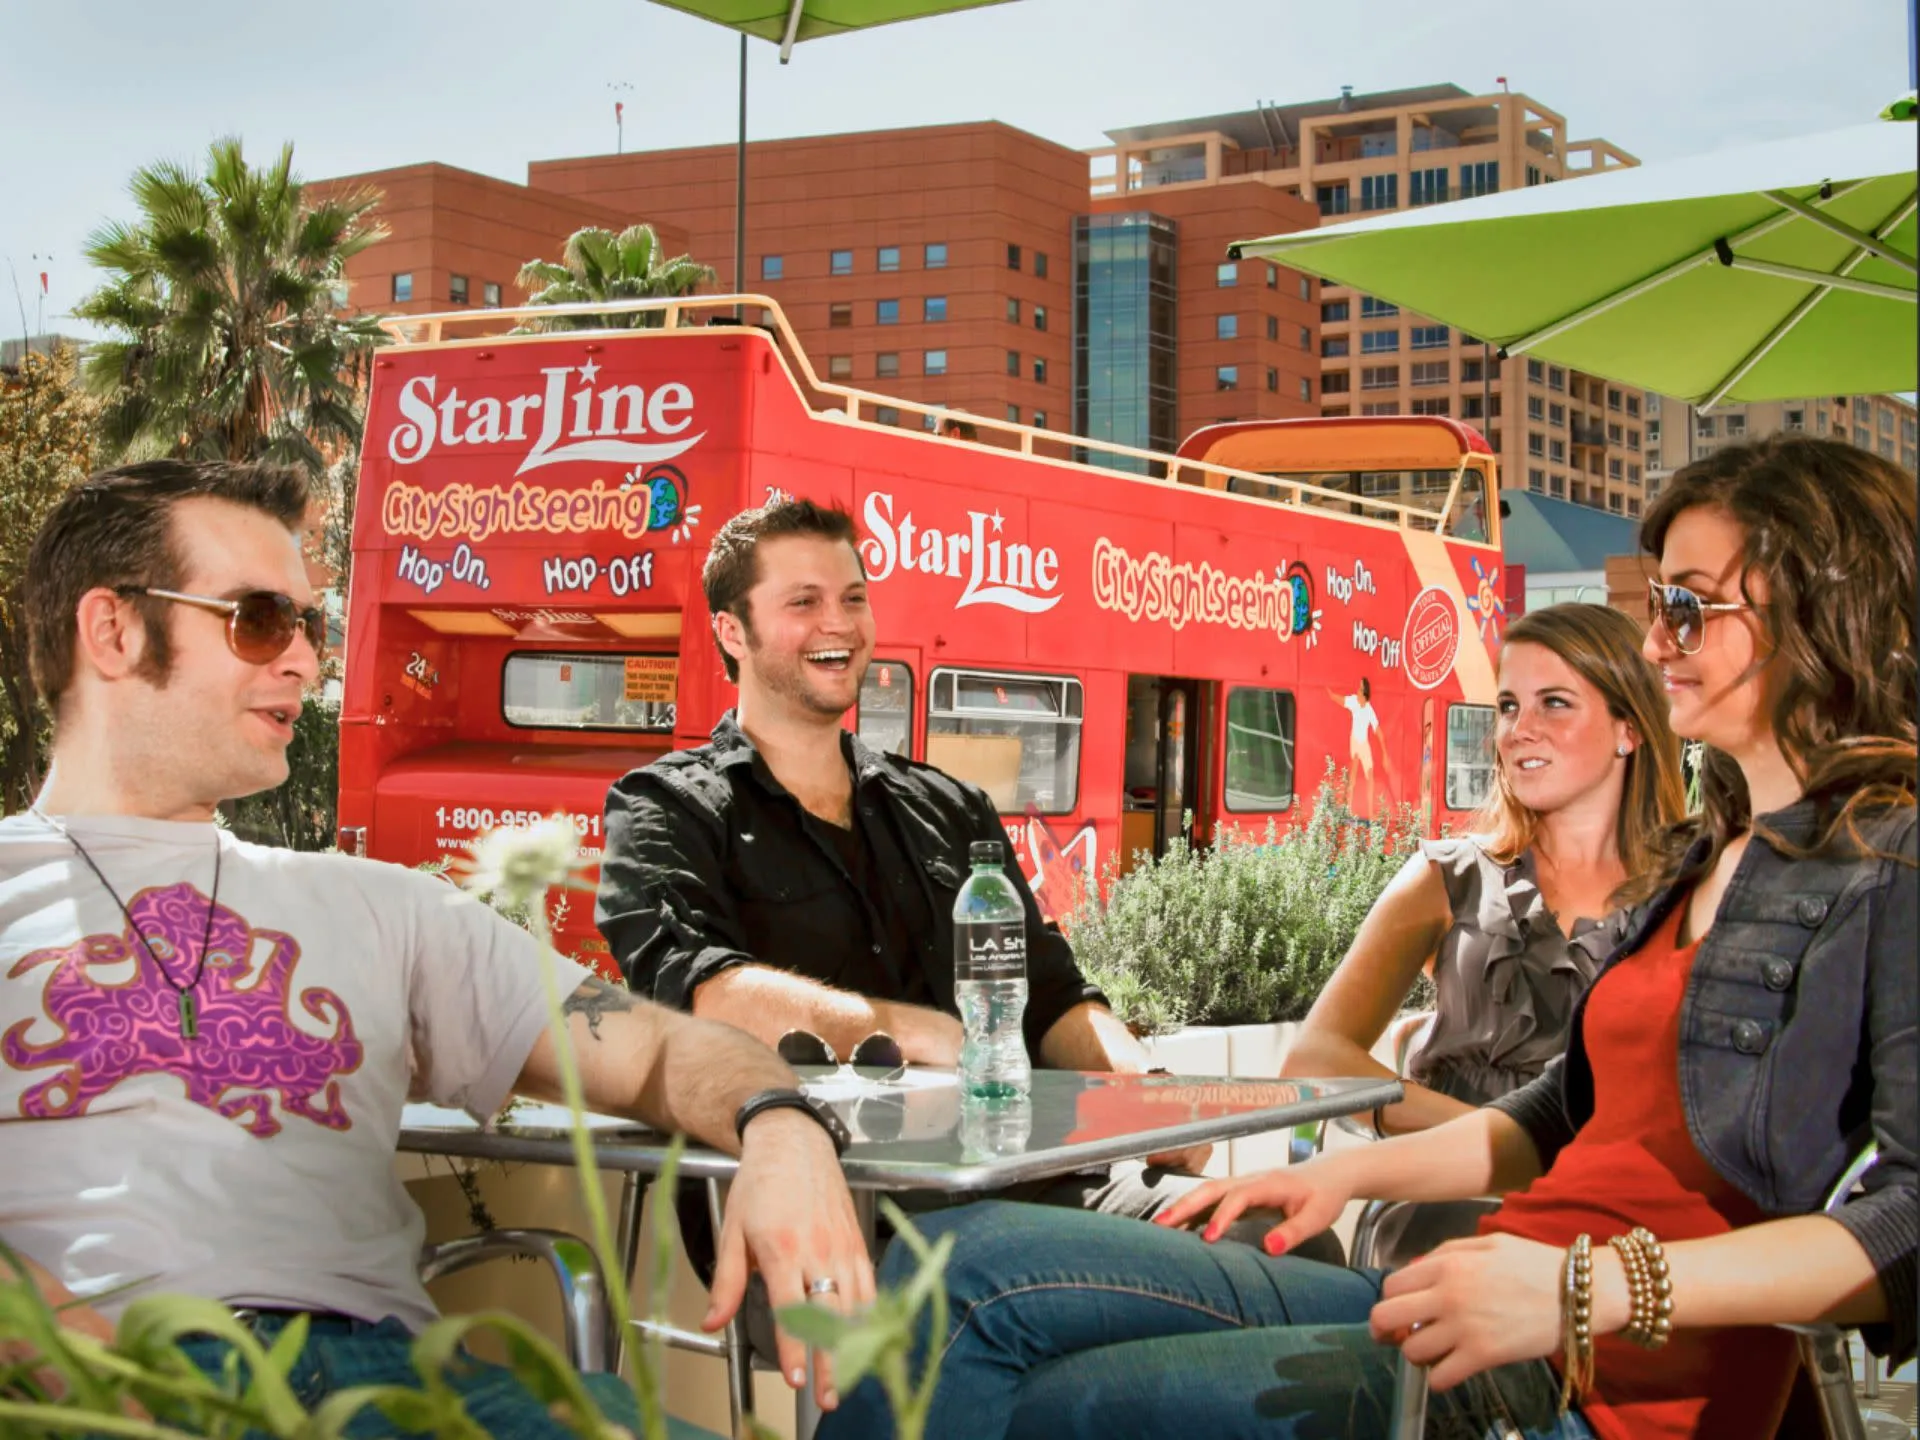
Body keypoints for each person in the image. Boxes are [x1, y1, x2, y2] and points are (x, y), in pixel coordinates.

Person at [823, 435, 1916, 1440]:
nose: (1655, 639)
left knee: (1063, 1406)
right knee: (958, 1261)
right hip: (1472, 1297)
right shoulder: (1710, 857)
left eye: (1688, 604)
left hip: (1577, 1382)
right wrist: (1343, 1179)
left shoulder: (1892, 861)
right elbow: (1558, 1119)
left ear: (1821, 608)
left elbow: (1907, 1224)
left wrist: (1581, 1289)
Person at [0, 460, 873, 1437]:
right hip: (111, 1382)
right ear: (114, 632)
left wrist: (778, 1122)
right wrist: (75, 1364)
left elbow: (654, 1047)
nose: (305, 663)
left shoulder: (378, 906)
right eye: (260, 620)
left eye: (311, 626)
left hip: (403, 1384)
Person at [594, 498, 1220, 1280]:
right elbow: (700, 996)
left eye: (853, 597)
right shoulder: (663, 808)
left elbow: (1053, 994)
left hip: (1026, 1182)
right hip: (828, 1216)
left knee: (1268, 1230)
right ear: (732, 631)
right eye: (803, 601)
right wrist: (909, 1031)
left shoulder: (949, 807)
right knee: (1075, 1282)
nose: (840, 623)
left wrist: (1150, 1091)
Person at [1289, 605, 1688, 1135]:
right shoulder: (1447, 878)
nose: (1519, 730)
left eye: (1554, 703)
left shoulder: (1694, 887)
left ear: (1629, 729)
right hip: (1454, 1182)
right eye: (1508, 706)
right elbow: (1313, 1061)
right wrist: (1498, 1143)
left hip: (1621, 1182)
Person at [1330, 678, 1382, 817]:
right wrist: (1330, 694)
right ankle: (1347, 809)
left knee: (1370, 776)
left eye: (1360, 689)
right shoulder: (1354, 701)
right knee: (1353, 774)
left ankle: (1370, 812)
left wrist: (1385, 754)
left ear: (1364, 694)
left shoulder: (1369, 709)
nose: (1357, 691)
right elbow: (1340, 700)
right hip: (1355, 741)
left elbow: (1377, 729)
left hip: (1363, 743)